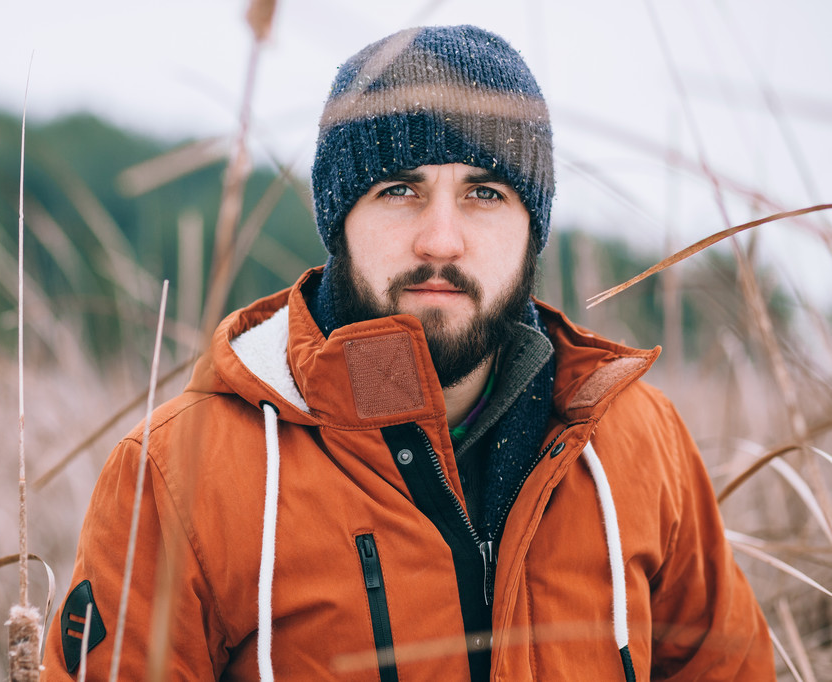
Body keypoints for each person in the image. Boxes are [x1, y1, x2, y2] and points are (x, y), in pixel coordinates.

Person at [40, 25, 775, 681]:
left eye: (485, 193)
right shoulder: (181, 474)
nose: (440, 240)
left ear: (532, 226)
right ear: (339, 220)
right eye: (399, 190)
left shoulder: (637, 443)